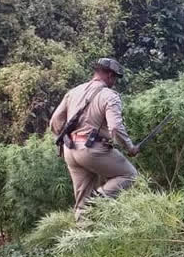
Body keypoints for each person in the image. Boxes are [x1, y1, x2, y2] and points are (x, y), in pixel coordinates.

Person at [49, 58, 139, 219]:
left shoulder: (74, 91)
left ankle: (81, 237)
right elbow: (116, 128)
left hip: (70, 151)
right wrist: (130, 148)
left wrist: (66, 140)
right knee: (129, 175)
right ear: (110, 75)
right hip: (92, 150)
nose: (114, 82)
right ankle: (96, 203)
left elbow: (55, 121)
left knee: (81, 202)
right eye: (115, 78)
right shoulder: (110, 96)